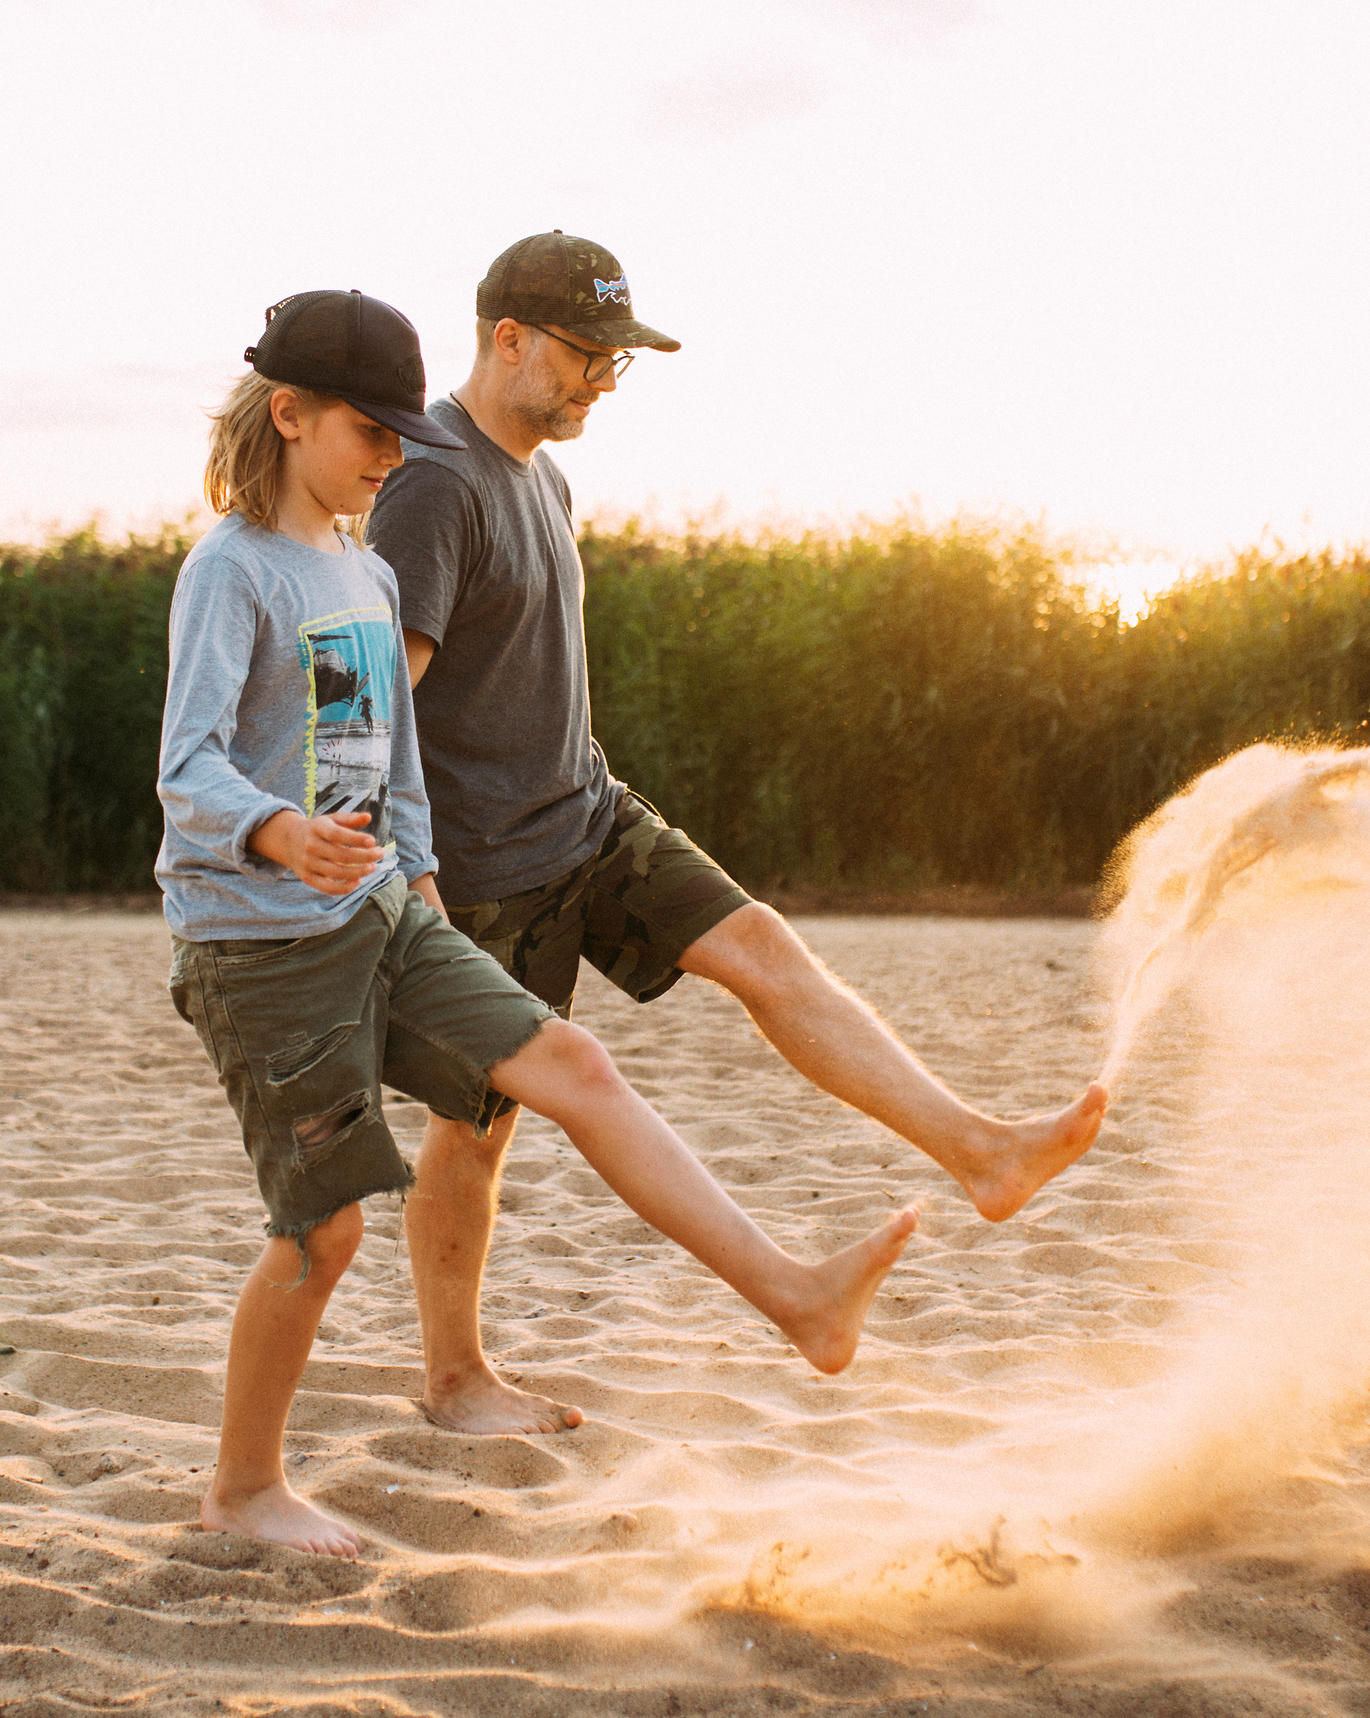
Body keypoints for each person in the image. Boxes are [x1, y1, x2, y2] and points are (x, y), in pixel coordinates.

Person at [159, 289, 917, 1555]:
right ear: (288, 414)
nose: (393, 456)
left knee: (574, 1064)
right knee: (323, 1234)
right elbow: (187, 769)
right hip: (262, 943)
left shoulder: (364, 562)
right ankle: (242, 1488)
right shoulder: (230, 568)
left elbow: (386, 751)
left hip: (384, 916)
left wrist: (417, 873)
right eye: (369, 431)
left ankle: (795, 1296)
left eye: (404, 433)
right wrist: (277, 831)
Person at [367, 235, 1108, 1437]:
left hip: (587, 815)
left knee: (759, 943)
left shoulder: (544, 479)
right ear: (507, 337)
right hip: (483, 870)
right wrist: (417, 879)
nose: (605, 378)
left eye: (619, 359)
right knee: (475, 1129)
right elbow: (381, 701)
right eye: (586, 353)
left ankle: (982, 1150)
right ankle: (455, 1379)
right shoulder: (433, 483)